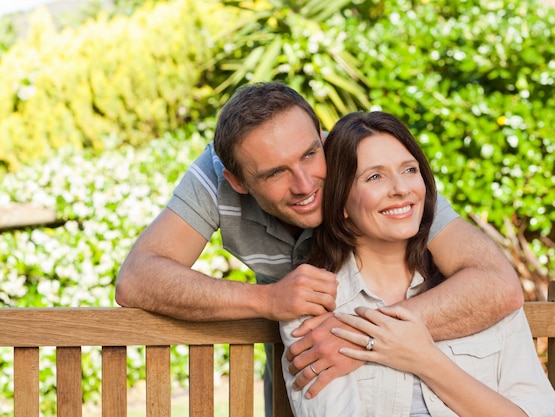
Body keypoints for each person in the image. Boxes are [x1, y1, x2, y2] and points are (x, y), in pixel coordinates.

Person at [115, 82, 523, 413]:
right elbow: (138, 278)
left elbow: (497, 283)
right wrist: (269, 299)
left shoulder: (362, 164)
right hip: (310, 369)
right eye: (276, 172)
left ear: (324, 138)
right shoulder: (215, 175)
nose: (305, 185)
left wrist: (359, 335)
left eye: (311, 154)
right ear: (237, 180)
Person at [280, 111, 555, 417]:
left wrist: (424, 359)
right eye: (374, 176)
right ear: (341, 201)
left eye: (409, 170)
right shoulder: (314, 307)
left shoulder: (480, 291)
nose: (401, 188)